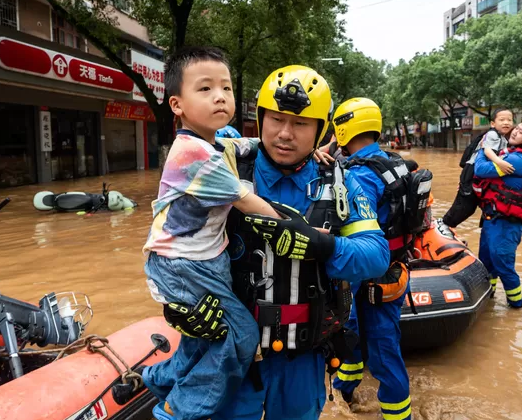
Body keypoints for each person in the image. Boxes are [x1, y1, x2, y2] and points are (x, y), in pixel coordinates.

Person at [143, 65, 390, 420]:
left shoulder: (342, 183)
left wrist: (324, 248)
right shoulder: (223, 160)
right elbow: (169, 237)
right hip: (228, 348)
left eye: (301, 124)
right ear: (260, 119)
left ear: (321, 130)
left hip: (301, 356)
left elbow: (376, 255)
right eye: (275, 120)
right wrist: (177, 307)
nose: (285, 134)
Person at [142, 47, 284, 420]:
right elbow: (248, 201)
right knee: (240, 335)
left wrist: (307, 144)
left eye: (226, 88)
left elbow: (245, 145)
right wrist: (301, 229)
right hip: (183, 263)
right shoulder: (192, 153)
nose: (220, 96)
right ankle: (175, 411)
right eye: (205, 89)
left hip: (205, 258)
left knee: (201, 338)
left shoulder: (216, 143)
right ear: (177, 104)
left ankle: (157, 379)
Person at [328, 98, 427, 420]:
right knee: (359, 334)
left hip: (369, 275)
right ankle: (345, 385)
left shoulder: (360, 176)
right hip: (395, 270)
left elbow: (360, 235)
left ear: (342, 128)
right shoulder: (394, 162)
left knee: (381, 352)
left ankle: (399, 415)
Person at [473, 118, 522, 308]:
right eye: (518, 128)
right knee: (487, 263)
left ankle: (516, 307)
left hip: (506, 224)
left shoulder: (519, 160)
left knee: (503, 266)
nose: (515, 132)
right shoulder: (513, 153)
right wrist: (493, 154)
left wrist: (485, 149)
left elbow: (480, 169)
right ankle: (489, 298)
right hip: (494, 219)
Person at [442, 108, 514, 229]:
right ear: (493, 123)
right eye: (502, 120)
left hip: (477, 173)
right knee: (465, 205)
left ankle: (447, 224)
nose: (506, 122)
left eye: (509, 120)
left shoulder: (503, 138)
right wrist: (500, 162)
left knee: (470, 205)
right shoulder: (492, 134)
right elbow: (487, 150)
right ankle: (445, 224)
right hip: (472, 170)